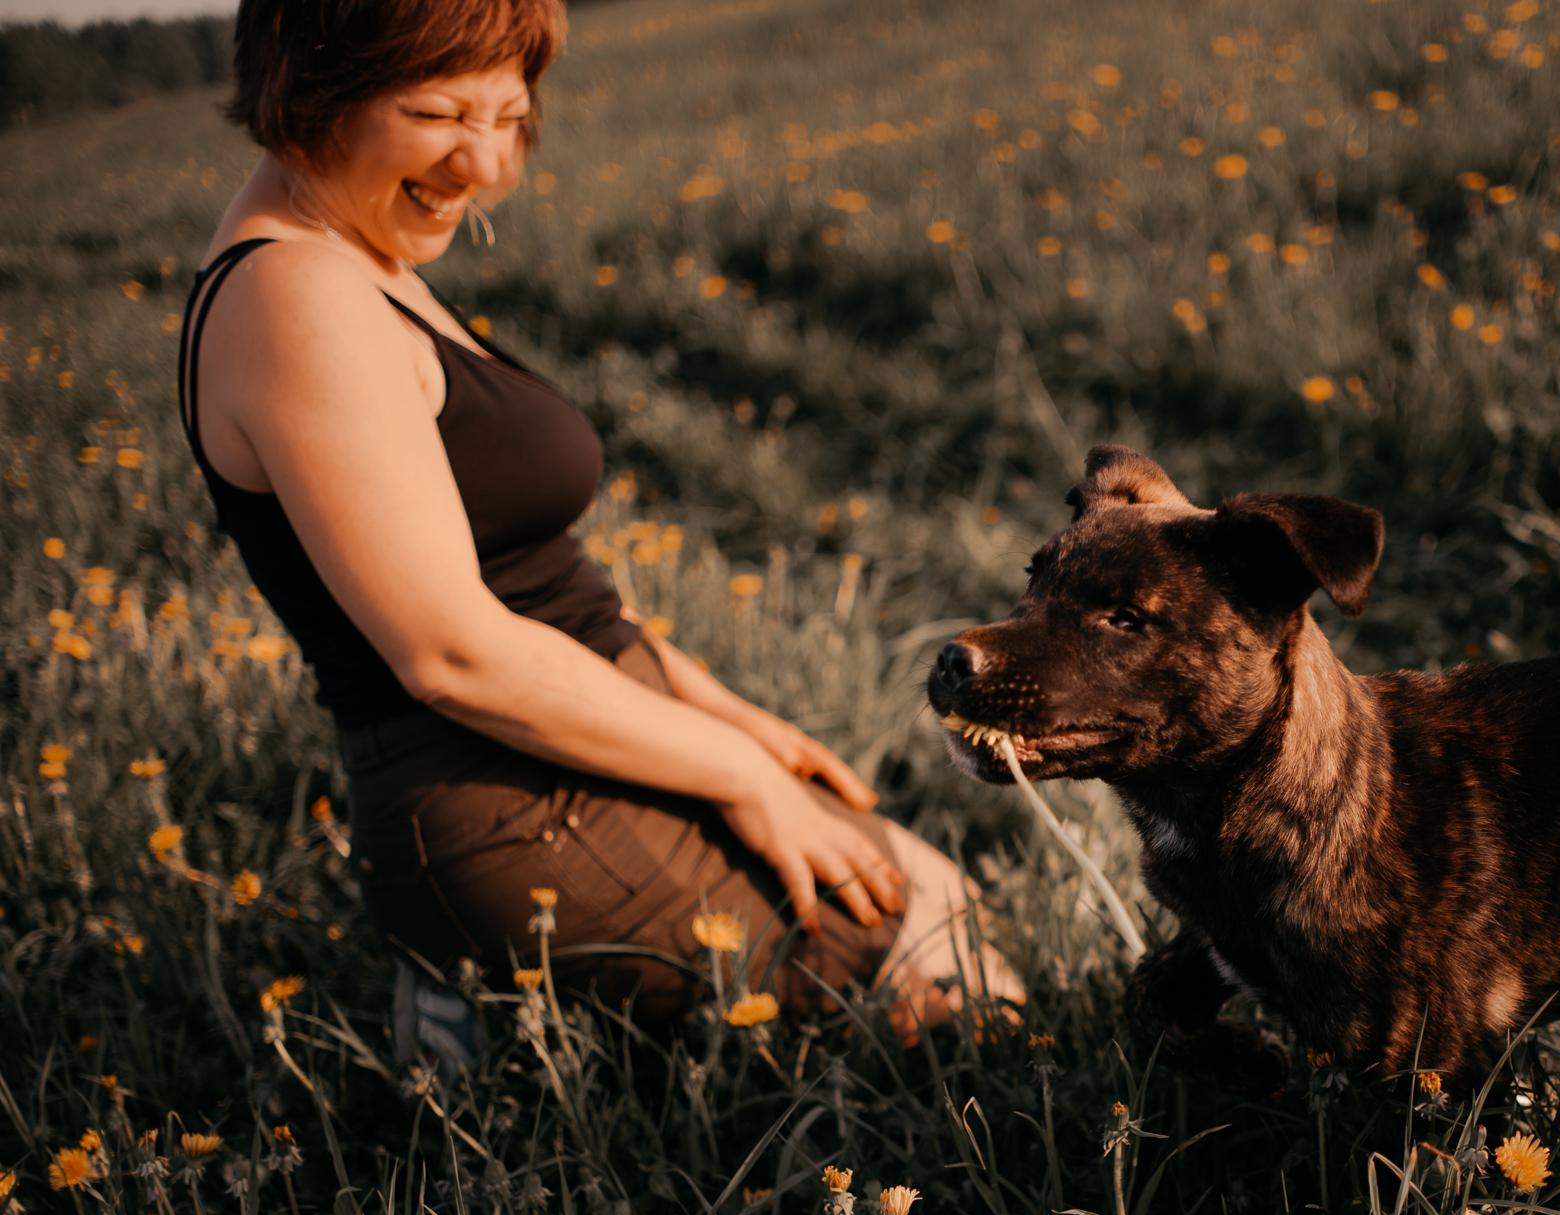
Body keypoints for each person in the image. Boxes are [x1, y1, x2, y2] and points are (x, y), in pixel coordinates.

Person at [177, 0, 1022, 1049]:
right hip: (510, 802)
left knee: (941, 903)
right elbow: (453, 656)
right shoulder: (292, 293)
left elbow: (535, 581)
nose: (483, 162)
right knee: (954, 1003)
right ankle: (481, 1018)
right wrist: (742, 778)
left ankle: (485, 1024)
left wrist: (731, 719)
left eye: (507, 113)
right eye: (440, 111)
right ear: (309, 90)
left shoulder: (358, 263)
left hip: (580, 741)